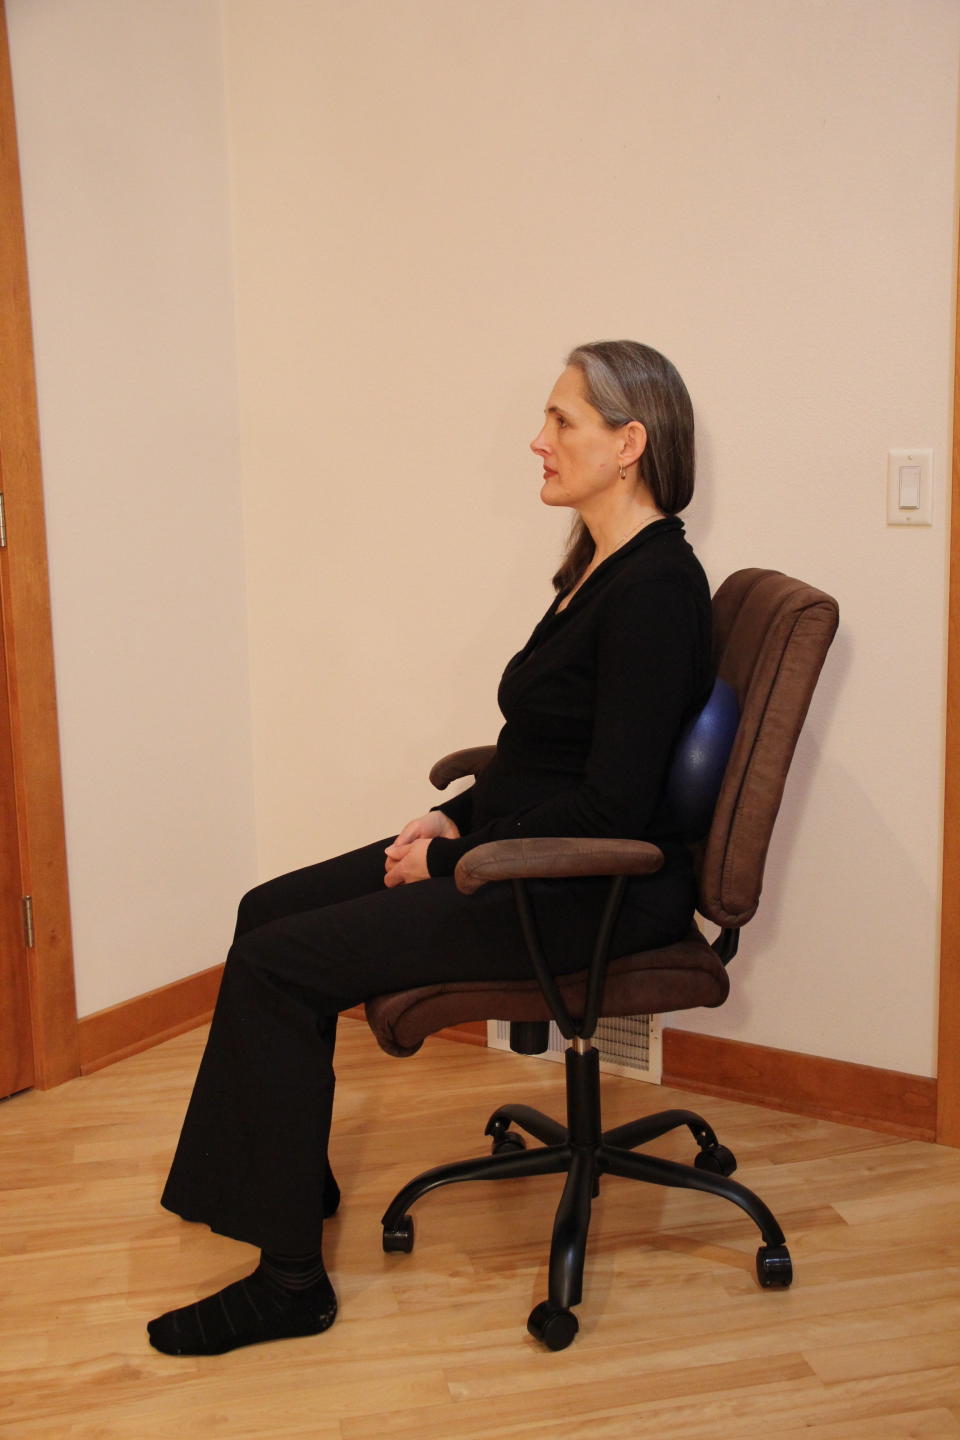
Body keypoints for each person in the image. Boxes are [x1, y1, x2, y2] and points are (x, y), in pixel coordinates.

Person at [147, 340, 713, 1356]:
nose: (537, 441)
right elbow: (546, 749)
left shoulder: (659, 588)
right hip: (517, 850)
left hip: (585, 890)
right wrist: (458, 818)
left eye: (563, 422)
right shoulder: (600, 570)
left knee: (281, 966)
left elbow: (614, 798)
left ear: (630, 444)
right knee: (265, 912)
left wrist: (458, 864)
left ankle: (288, 1285)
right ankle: (282, 1174)